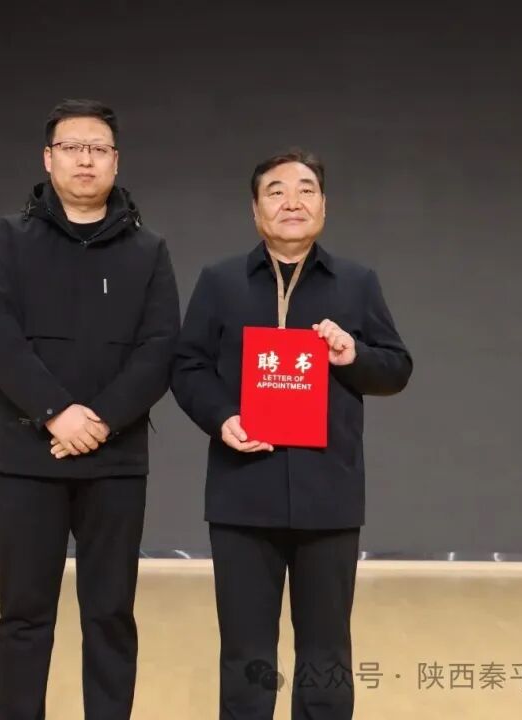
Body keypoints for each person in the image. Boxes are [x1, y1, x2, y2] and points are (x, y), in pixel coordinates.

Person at [171, 149, 412, 720]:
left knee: (326, 655)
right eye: (276, 191)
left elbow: (396, 368)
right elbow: (187, 365)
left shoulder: (357, 283)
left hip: (329, 495)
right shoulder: (220, 282)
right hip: (242, 493)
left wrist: (352, 354)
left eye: (306, 189)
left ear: (325, 205)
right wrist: (222, 417)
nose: (292, 201)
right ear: (255, 210)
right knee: (245, 657)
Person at [0, 98, 180, 720]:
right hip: (26, 452)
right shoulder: (10, 239)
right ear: (48, 158)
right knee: (24, 613)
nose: (85, 159)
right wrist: (57, 412)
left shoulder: (149, 249)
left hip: (115, 458)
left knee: (110, 613)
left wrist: (102, 420)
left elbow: (161, 346)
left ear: (116, 161)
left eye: (98, 149)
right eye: (72, 147)